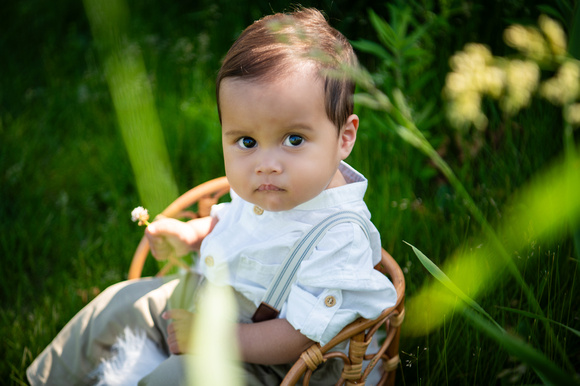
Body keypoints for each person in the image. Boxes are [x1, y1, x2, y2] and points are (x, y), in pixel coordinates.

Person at [27, 7, 397, 385]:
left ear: (344, 137)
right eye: (247, 142)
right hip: (214, 301)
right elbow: (237, 224)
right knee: (119, 304)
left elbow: (297, 336)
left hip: (277, 363)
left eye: (294, 139)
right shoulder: (275, 190)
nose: (266, 164)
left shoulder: (340, 236)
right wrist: (194, 234)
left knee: (177, 379)